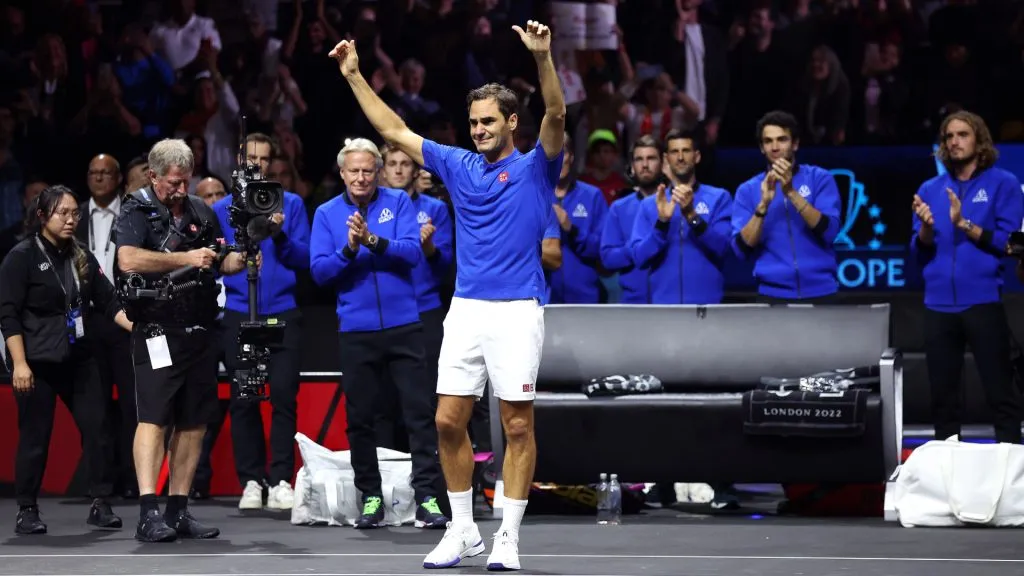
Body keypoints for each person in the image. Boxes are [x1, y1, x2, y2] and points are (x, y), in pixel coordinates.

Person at [330, 19, 566, 570]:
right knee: (445, 421)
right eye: (473, 122)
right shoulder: (457, 164)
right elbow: (394, 130)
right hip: (465, 310)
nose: (479, 129)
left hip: (516, 310)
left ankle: (507, 535)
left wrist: (542, 58)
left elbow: (555, 113)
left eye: (489, 121)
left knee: (516, 425)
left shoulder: (536, 167)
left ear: (511, 122)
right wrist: (355, 75)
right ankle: (463, 532)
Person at [309, 138, 449, 530]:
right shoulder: (326, 213)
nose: (361, 177)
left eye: (368, 170)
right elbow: (319, 273)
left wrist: (371, 240)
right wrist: (350, 250)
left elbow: (410, 253)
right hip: (356, 329)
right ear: (342, 174)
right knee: (361, 418)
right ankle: (370, 497)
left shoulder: (399, 203)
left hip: (405, 324)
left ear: (378, 171)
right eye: (353, 170)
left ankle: (428, 499)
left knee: (420, 415)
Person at [114, 138, 247, 542]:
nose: (180, 189)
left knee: (193, 424)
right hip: (156, 330)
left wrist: (243, 257)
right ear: (153, 176)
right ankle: (147, 511)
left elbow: (222, 260)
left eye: (185, 181)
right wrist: (185, 258)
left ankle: (179, 510)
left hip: (200, 330)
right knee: (154, 418)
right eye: (173, 182)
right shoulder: (136, 209)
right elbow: (129, 259)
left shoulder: (201, 211)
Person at [0, 185, 131, 534]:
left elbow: (108, 301)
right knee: (35, 436)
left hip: (78, 357)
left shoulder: (81, 255)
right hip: (36, 361)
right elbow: (8, 316)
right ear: (42, 216)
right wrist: (20, 364)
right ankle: (27, 509)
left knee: (98, 426)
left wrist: (135, 326)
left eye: (75, 213)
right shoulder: (21, 256)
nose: (72, 220)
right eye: (63, 213)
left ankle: (100, 503)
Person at [911, 110, 1024, 444]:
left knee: (1001, 396)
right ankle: (948, 484)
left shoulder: (1002, 183)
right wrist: (928, 230)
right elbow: (917, 253)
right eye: (949, 136)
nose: (955, 142)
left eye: (963, 135)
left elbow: (1011, 245)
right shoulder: (929, 189)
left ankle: (1012, 482)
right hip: (938, 306)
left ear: (979, 139)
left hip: (984, 302)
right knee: (943, 403)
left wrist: (965, 225)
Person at [213, 133, 310, 511]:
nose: (257, 163)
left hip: (283, 311)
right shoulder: (223, 208)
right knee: (245, 399)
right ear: (240, 158)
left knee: (284, 398)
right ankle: (251, 480)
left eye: (264, 158)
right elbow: (215, 258)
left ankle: (281, 479)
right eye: (251, 156)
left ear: (273, 163)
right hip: (242, 313)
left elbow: (304, 259)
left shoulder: (293, 205)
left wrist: (280, 231)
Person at [76, 153, 138, 498]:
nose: (99, 178)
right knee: (94, 406)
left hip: (125, 316)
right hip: (87, 320)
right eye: (93, 172)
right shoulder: (75, 215)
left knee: (131, 404)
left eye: (106, 173)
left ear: (117, 179)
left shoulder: (130, 212)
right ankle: (100, 482)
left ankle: (132, 480)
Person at [731, 110, 842, 303]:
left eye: (782, 139)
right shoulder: (747, 190)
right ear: (761, 148)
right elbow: (741, 250)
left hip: (822, 291)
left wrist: (791, 192)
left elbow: (829, 232)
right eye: (768, 141)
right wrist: (763, 205)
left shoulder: (820, 178)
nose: (775, 147)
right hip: (772, 295)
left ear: (795, 144)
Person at [630, 131, 733, 304]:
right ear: (666, 159)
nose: (680, 157)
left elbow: (723, 248)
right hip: (663, 306)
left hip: (707, 306)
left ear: (697, 156)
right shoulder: (650, 204)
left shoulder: (719, 198)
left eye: (685, 151)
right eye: (674, 152)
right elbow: (639, 257)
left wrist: (692, 216)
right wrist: (662, 223)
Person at [599, 135, 666, 304]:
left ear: (663, 164)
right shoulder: (619, 208)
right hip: (632, 303)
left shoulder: (676, 203)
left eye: (651, 158)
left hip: (671, 302)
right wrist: (637, 249)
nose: (645, 165)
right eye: (639, 159)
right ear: (632, 167)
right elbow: (608, 258)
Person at [548, 134, 608, 304]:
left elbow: (602, 250)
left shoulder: (592, 196)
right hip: (544, 299)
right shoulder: (533, 197)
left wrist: (571, 229)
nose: (558, 159)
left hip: (585, 298)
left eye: (563, 153)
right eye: (551, 153)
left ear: (571, 157)